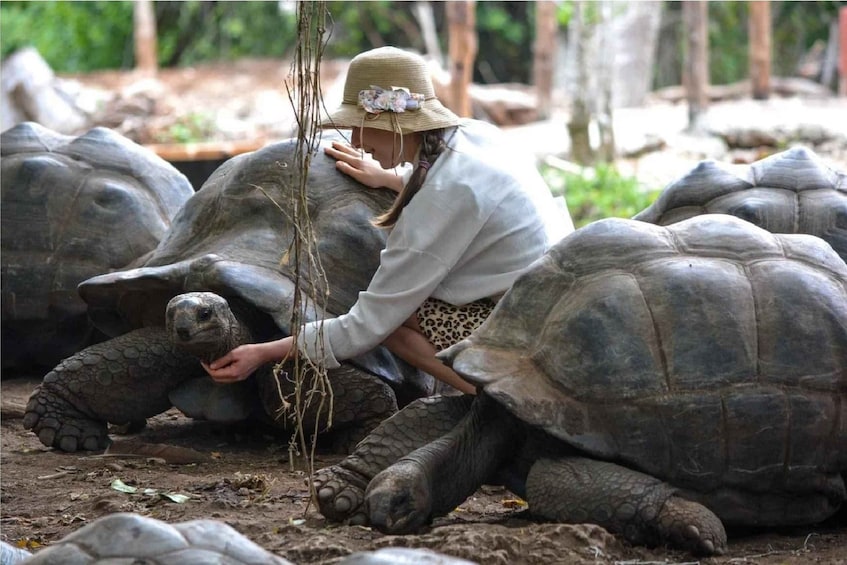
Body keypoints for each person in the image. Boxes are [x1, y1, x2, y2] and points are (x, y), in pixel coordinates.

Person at [203, 46, 573, 395]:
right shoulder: (476, 136)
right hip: (560, 305)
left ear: (394, 122)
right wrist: (393, 178)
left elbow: (366, 326)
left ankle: (500, 397)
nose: (355, 140)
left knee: (393, 324)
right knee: (402, 309)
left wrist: (263, 353)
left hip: (530, 334)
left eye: (361, 125)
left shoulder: (437, 204)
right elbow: (468, 197)